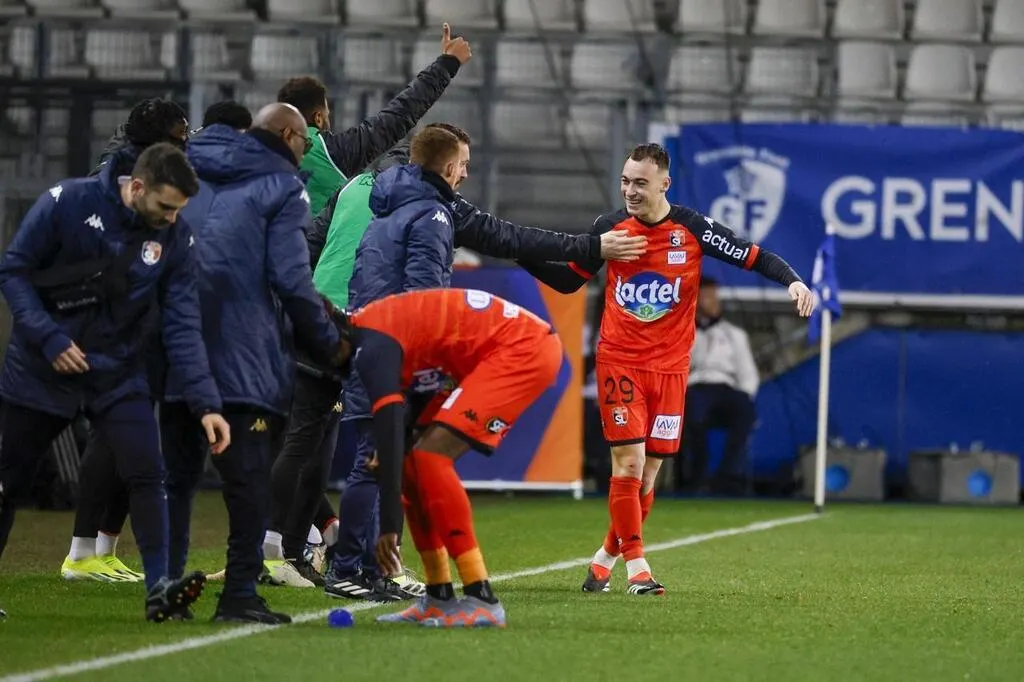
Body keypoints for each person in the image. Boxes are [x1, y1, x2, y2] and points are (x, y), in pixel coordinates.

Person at [317, 124, 649, 602]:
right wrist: (427, 373)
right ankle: (408, 579)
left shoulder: (384, 212)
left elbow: (502, 240)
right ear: (450, 167)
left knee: (398, 461)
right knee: (408, 462)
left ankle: (386, 573)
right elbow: (425, 303)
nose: (467, 174)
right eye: (465, 165)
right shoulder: (432, 216)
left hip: (400, 344)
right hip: (438, 350)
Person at [519, 143, 814, 595]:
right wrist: (517, 248)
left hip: (673, 369)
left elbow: (754, 256)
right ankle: (638, 569)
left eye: (640, 182)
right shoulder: (610, 229)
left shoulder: (693, 230)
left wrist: (793, 281)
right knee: (629, 462)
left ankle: (604, 559)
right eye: (625, 181)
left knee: (649, 476)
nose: (630, 191)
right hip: (620, 360)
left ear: (664, 184)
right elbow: (569, 279)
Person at [0, 143, 232, 621]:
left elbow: (183, 325)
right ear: (137, 187)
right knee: (9, 481)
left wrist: (206, 401)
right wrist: (48, 339)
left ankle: (160, 590)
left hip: (117, 371)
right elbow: (14, 271)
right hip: (41, 370)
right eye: (165, 207)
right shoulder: (67, 203)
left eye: (179, 211)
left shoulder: (175, 239)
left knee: (148, 473)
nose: (171, 220)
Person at [162, 103, 347, 624]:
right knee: (247, 484)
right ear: (287, 134)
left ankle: (168, 588)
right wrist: (328, 342)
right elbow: (290, 278)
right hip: (243, 356)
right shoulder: (283, 188)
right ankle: (239, 592)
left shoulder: (188, 169)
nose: (306, 152)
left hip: (178, 350)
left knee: (176, 479)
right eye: (303, 143)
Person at [334, 287, 563, 628]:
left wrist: (390, 528)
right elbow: (404, 418)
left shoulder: (371, 344)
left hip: (521, 347)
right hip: (491, 354)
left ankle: (481, 596)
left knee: (429, 456)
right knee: (412, 462)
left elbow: (390, 420)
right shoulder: (373, 330)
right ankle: (439, 595)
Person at [62, 98, 193, 584]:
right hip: (120, 319)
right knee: (112, 430)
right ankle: (80, 552)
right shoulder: (123, 175)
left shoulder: (131, 164)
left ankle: (103, 548)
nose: (188, 143)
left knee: (132, 430)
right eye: (182, 135)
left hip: (141, 316)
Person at [277, 22, 472, 215]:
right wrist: (448, 64)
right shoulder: (333, 152)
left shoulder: (257, 149)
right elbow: (399, 115)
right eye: (327, 116)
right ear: (318, 118)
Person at [679, 276, 760, 495]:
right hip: (695, 386)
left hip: (726, 387)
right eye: (706, 296)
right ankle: (698, 475)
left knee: (744, 409)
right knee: (693, 409)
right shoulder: (681, 332)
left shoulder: (734, 334)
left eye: (714, 296)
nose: (712, 302)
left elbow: (748, 374)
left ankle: (727, 476)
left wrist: (745, 395)